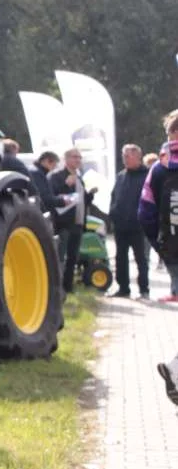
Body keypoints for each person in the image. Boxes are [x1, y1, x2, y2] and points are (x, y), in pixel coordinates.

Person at [137, 111, 178, 406]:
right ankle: (175, 369)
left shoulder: (158, 169)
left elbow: (145, 212)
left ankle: (176, 369)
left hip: (174, 249)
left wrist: (161, 247)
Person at [49, 147, 96, 294]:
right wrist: (65, 185)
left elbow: (81, 201)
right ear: (66, 159)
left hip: (78, 223)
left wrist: (90, 194)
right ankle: (57, 289)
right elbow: (51, 198)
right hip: (63, 224)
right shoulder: (56, 176)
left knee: (73, 257)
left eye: (80, 158)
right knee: (60, 257)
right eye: (75, 157)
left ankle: (68, 288)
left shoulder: (79, 177)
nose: (78, 160)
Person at [108, 143, 150, 298]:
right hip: (121, 225)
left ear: (137, 157)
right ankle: (123, 288)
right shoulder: (121, 175)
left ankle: (144, 289)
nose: (124, 159)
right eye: (123, 156)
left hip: (139, 226)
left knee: (141, 258)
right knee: (120, 258)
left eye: (127, 156)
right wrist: (113, 213)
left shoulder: (147, 176)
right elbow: (114, 197)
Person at [28, 150, 67, 216]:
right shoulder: (36, 173)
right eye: (54, 164)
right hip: (40, 213)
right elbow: (43, 197)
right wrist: (62, 201)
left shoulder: (36, 171)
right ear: (46, 161)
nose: (54, 168)